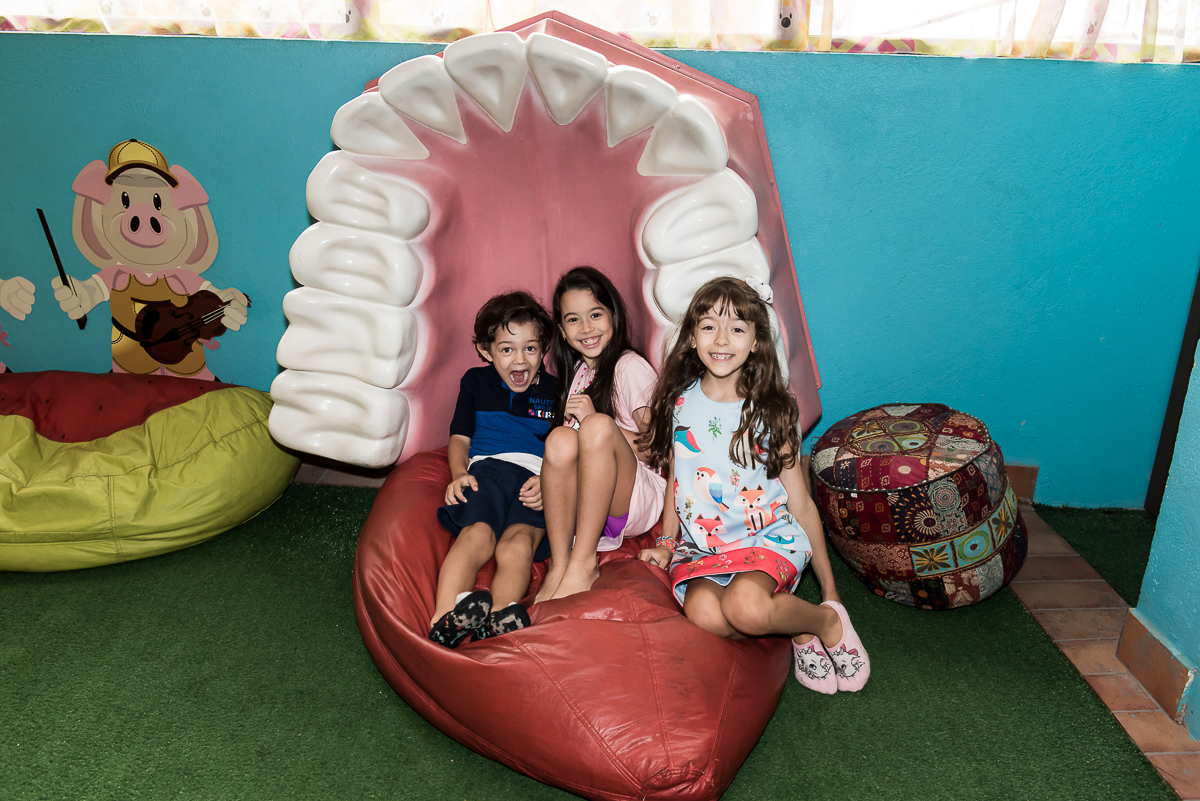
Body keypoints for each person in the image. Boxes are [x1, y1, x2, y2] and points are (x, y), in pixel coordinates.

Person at [636, 276, 870, 693]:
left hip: (768, 539)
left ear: (756, 342)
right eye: (709, 326)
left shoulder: (772, 409)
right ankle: (789, 629)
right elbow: (678, 483)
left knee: (745, 607)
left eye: (737, 328)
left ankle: (822, 622)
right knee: (704, 615)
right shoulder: (679, 403)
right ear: (691, 336)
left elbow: (800, 503)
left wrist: (832, 593)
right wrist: (666, 543)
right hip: (704, 547)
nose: (721, 338)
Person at [430, 291, 558, 647]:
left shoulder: (556, 391)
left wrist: (549, 482)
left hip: (535, 480)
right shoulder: (475, 382)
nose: (519, 360)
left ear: (543, 349)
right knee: (477, 536)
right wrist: (458, 473)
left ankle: (500, 617)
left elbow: (565, 451)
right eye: (506, 349)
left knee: (518, 546)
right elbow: (459, 437)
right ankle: (443, 619)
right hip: (487, 471)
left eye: (530, 348)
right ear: (486, 351)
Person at [534, 266, 666, 602]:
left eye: (595, 314)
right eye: (574, 319)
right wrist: (548, 476)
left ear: (614, 316)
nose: (587, 328)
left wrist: (601, 422)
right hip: (590, 503)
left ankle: (583, 563)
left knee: (595, 426)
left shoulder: (628, 367)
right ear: (562, 331)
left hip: (635, 495)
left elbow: (659, 450)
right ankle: (560, 565)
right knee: (561, 439)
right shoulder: (579, 371)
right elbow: (570, 451)